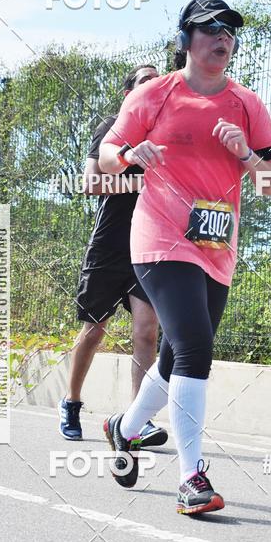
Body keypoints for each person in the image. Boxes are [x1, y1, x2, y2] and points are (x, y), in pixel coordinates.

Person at [99, 0, 271, 513]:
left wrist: (247, 155)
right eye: (210, 29)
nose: (222, 38)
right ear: (186, 39)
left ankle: (125, 427)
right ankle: (191, 479)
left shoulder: (247, 104)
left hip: (216, 245)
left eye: (229, 31)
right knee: (194, 349)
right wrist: (130, 154)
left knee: (175, 357)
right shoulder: (154, 94)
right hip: (160, 240)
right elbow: (105, 158)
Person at [58, 64, 168, 449]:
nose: (153, 84)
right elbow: (91, 182)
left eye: (158, 80)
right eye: (145, 80)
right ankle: (71, 402)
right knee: (94, 331)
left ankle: (138, 420)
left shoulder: (165, 132)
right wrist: (141, 181)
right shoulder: (112, 127)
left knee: (147, 331)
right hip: (109, 246)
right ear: (128, 94)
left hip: (149, 246)